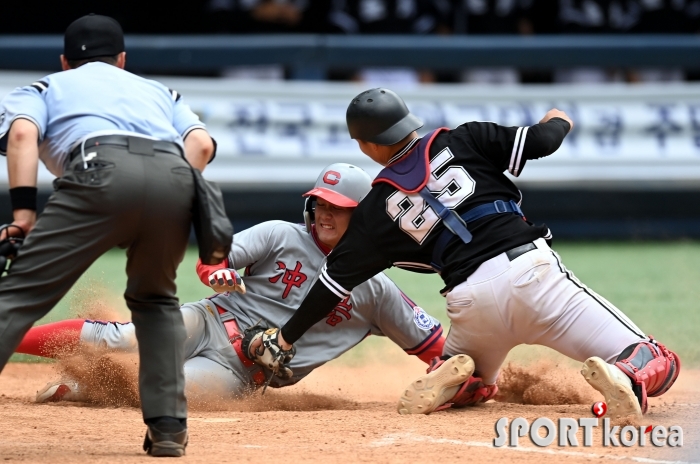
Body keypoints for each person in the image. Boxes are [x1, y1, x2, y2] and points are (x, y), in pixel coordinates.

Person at [262, 88, 680, 420]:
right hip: (531, 274)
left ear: (367, 146)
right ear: (408, 123)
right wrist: (559, 119)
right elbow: (542, 141)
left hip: (469, 300)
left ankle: (461, 380)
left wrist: (284, 338)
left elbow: (331, 285)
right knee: (659, 360)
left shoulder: (375, 209)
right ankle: (629, 372)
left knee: (474, 377)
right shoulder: (463, 138)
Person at [16, 163, 447, 405]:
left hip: (241, 370)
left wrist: (459, 376)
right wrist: (216, 272)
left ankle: (82, 388)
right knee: (126, 339)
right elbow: (213, 257)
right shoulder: (281, 234)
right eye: (319, 204)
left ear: (363, 214)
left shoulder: (375, 290)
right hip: (209, 319)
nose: (323, 214)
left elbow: (435, 348)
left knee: (173, 390)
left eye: (337, 207)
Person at [0, 14, 215, 457]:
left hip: (96, 170)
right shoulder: (159, 91)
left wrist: (23, 213)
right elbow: (202, 146)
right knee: (156, 301)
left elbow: (21, 133)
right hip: (174, 177)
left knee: (18, 296)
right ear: (121, 60)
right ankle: (169, 429)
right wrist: (165, 193)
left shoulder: (46, 88)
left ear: (65, 62)